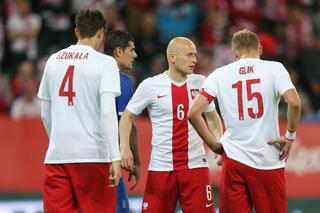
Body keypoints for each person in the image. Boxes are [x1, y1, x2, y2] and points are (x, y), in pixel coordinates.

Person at [188, 29, 301, 213]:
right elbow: (295, 103)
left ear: (234, 53)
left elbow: (193, 114)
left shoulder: (218, 74)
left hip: (234, 160)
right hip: (268, 160)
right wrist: (289, 137)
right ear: (261, 49)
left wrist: (214, 145)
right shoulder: (275, 68)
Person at [120, 37, 223, 213]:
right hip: (162, 168)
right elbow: (127, 117)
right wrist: (125, 148)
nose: (194, 60)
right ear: (172, 57)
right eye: (189, 55)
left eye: (195, 55)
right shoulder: (151, 86)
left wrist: (219, 143)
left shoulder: (200, 82)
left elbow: (213, 116)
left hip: (196, 167)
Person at [37, 8, 121, 213]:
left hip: (57, 156)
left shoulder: (53, 60)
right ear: (102, 33)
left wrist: (57, 141)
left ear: (76, 32)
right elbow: (108, 112)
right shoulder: (106, 63)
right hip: (93, 156)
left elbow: (44, 113)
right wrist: (115, 156)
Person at [105, 30, 140, 213]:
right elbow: (127, 124)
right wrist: (137, 162)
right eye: (131, 49)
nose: (135, 54)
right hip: (108, 162)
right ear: (118, 51)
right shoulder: (122, 81)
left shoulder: (91, 76)